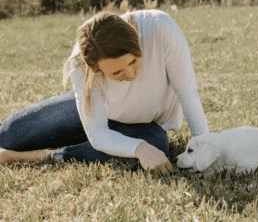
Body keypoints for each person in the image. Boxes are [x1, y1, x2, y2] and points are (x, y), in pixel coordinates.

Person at [0, 9, 209, 175]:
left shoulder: (160, 29)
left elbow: (187, 93)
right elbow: (98, 133)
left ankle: (45, 156)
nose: (130, 73)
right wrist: (138, 150)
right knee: (9, 134)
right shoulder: (80, 64)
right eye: (117, 72)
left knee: (156, 144)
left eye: (134, 61)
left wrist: (207, 146)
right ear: (96, 69)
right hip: (98, 112)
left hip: (144, 125)